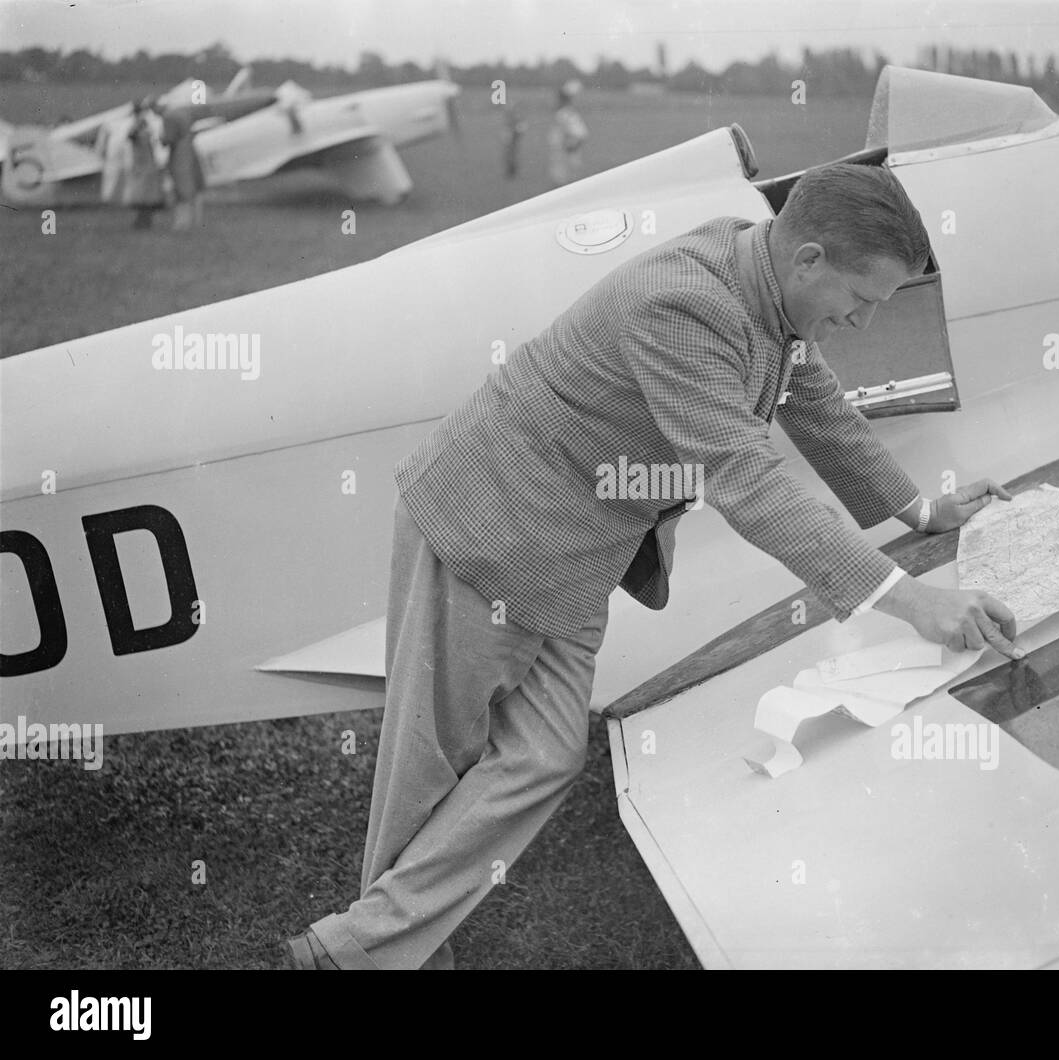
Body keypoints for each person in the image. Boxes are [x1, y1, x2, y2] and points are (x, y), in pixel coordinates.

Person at [286, 162, 1021, 970]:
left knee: (545, 756)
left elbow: (815, 407)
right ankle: (367, 958)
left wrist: (920, 511)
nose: (866, 318)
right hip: (484, 528)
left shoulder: (762, 284)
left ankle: (355, 949)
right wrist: (911, 600)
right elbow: (746, 477)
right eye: (865, 296)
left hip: (568, 555)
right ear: (808, 258)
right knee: (430, 764)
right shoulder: (687, 304)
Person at [158, 102, 206, 231]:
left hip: (181, 157)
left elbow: (167, 139)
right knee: (193, 188)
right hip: (188, 152)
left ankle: (183, 222)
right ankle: (195, 220)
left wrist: (161, 139)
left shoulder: (169, 117)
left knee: (183, 190)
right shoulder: (181, 114)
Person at [120, 99, 165, 229]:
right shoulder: (137, 127)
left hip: (146, 165)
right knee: (144, 196)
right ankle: (142, 222)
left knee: (146, 196)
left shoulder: (142, 126)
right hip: (143, 166)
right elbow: (131, 135)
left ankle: (144, 221)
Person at [546, 79, 587, 186]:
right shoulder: (565, 113)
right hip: (562, 150)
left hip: (566, 150)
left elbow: (580, 134)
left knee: (565, 180)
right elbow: (581, 134)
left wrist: (571, 144)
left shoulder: (566, 114)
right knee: (562, 179)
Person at [501, 104, 526, 179]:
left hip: (512, 141)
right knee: (508, 155)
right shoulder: (511, 121)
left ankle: (511, 171)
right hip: (510, 140)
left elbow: (520, 130)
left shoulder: (516, 121)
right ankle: (510, 170)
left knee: (511, 155)